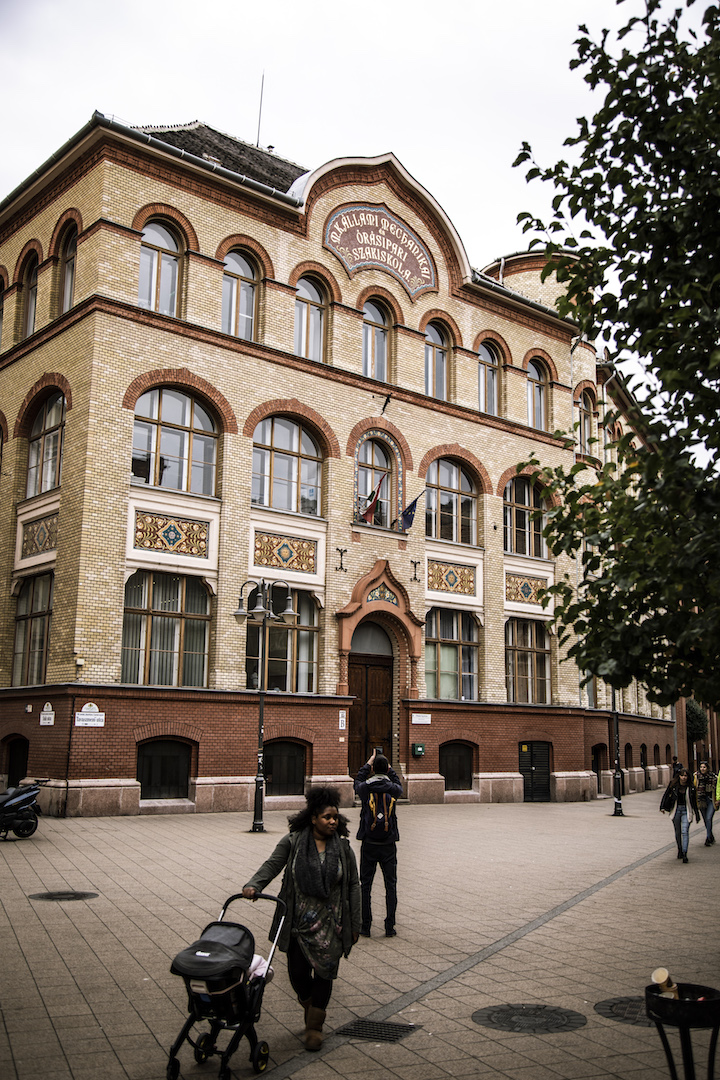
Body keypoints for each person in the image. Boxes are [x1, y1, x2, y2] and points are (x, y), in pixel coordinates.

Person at [241, 786, 361, 1051]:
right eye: (328, 817)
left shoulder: (342, 848)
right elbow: (272, 865)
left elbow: (353, 885)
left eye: (335, 817)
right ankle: (309, 1004)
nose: (333, 822)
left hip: (332, 924)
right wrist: (254, 884)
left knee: (325, 974)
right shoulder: (294, 841)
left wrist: (356, 922)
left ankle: (315, 1025)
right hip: (297, 921)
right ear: (313, 819)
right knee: (297, 974)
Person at [354, 750, 402, 937]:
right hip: (388, 844)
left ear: (373, 768)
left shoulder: (365, 788)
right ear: (388, 768)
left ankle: (366, 926)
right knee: (391, 885)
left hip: (369, 842)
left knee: (365, 885)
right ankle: (389, 926)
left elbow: (357, 781)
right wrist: (390, 769)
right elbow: (398, 783)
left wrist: (368, 765)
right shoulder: (393, 789)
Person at [660, 766, 700, 862]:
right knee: (678, 832)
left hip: (687, 810)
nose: (684, 778)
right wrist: (662, 807)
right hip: (676, 810)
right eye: (682, 776)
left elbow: (694, 802)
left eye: (685, 776)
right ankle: (680, 849)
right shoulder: (673, 785)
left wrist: (697, 814)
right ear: (679, 776)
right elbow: (666, 795)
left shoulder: (691, 788)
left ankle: (685, 853)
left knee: (684, 831)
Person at [694, 760, 717, 845]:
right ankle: (711, 836)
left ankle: (708, 838)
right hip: (701, 800)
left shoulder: (713, 777)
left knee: (708, 818)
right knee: (706, 820)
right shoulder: (696, 777)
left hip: (711, 800)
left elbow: (717, 788)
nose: (702, 769)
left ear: (707, 768)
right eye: (701, 767)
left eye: (704, 767)